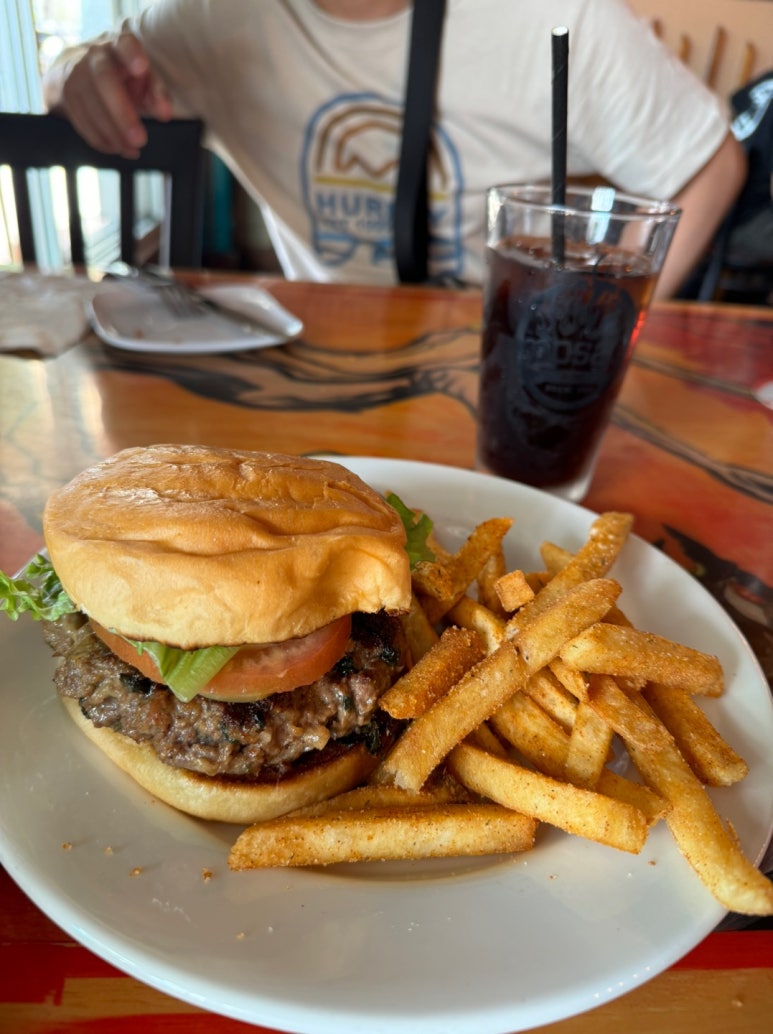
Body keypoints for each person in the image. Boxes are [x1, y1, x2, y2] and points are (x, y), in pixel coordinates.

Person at [43, 0, 747, 298]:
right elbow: (89, 71)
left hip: (489, 348)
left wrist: (610, 322)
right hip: (313, 349)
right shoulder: (209, 19)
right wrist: (74, 67)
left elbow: (710, 163)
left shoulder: (560, 18)